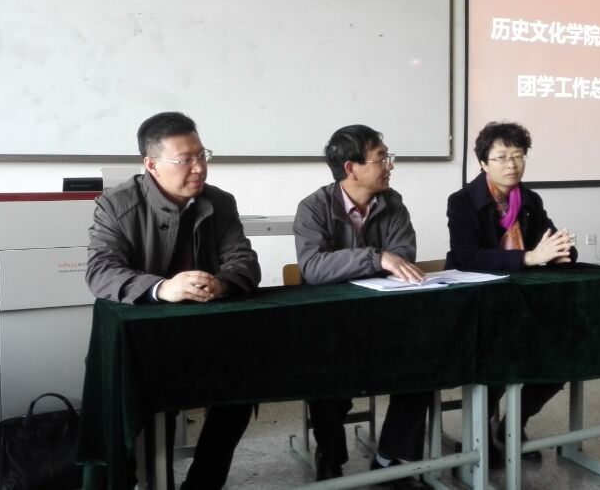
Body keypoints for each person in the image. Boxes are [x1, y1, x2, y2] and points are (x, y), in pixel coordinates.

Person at [86, 111, 261, 490]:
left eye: (202, 155)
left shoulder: (220, 202)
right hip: (144, 345)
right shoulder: (116, 204)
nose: (199, 168)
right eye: (185, 160)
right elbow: (100, 271)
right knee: (138, 412)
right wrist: (162, 288)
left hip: (208, 336)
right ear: (151, 164)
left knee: (242, 389)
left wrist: (221, 283)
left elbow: (245, 262)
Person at [293, 125, 429, 488]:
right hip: (332, 326)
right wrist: (376, 258)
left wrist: (377, 261)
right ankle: (331, 456)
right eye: (381, 158)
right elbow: (314, 268)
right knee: (326, 374)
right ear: (351, 168)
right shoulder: (313, 208)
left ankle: (390, 457)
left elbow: (404, 257)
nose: (390, 165)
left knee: (427, 362)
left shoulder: (393, 203)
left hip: (386, 320)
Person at [445, 121, 576, 463]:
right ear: (483, 163)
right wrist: (529, 257)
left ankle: (514, 424)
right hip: (476, 306)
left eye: (518, 156)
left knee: (563, 356)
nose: (511, 165)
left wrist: (561, 252)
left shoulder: (529, 200)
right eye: (501, 157)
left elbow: (549, 240)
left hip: (524, 303)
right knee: (499, 360)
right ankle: (479, 435)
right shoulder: (462, 202)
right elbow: (467, 257)